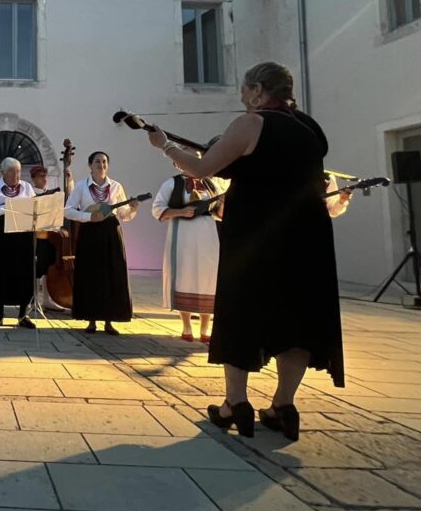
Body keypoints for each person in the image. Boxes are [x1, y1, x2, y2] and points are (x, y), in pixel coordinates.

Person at [147, 61, 343, 441]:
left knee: (241, 312)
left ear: (257, 91)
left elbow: (203, 169)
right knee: (297, 318)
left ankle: (235, 403)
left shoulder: (250, 123)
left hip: (257, 235)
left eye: (244, 90)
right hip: (308, 235)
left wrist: (165, 145)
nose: (241, 96)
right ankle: (283, 405)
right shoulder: (310, 128)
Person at [63, 151, 139, 335]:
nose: (101, 164)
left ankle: (109, 320)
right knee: (91, 274)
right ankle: (91, 320)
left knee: (112, 274)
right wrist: (89, 216)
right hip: (90, 232)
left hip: (111, 233)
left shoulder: (116, 186)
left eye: (104, 161)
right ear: (90, 165)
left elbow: (123, 215)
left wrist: (133, 208)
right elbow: (68, 211)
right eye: (97, 161)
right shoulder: (81, 187)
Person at [151, 165, 228, 343]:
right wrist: (180, 212)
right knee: (184, 275)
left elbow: (219, 213)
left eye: (198, 159)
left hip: (208, 233)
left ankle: (205, 328)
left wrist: (223, 201)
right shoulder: (172, 183)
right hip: (182, 232)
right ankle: (186, 326)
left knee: (208, 277)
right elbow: (157, 209)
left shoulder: (211, 184)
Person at [0, 158, 37, 330]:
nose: (16, 175)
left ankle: (22, 314)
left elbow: (34, 207)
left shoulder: (27, 187)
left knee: (24, 274)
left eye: (18, 171)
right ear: (3, 172)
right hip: (1, 238)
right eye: (11, 171)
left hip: (22, 237)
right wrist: (3, 209)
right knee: (0, 273)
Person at [29, 165, 69, 312]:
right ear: (33, 178)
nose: (44, 179)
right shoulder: (30, 194)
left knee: (47, 268)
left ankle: (46, 299)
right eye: (40, 176)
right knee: (37, 269)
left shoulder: (52, 194)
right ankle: (34, 300)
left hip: (50, 236)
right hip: (36, 236)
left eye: (45, 176)